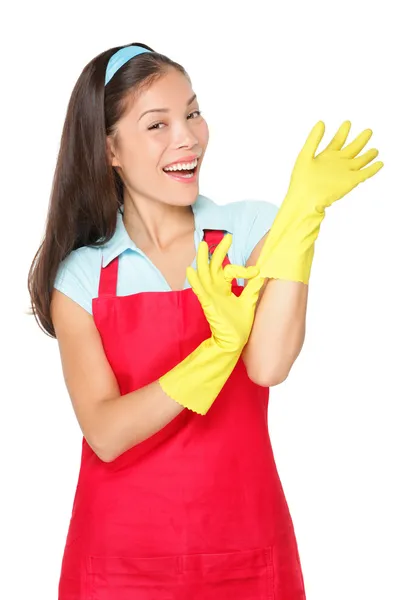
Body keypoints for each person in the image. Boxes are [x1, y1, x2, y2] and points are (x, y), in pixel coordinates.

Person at [28, 42, 383, 600]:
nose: (188, 137)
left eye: (192, 112)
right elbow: (105, 432)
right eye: (158, 124)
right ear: (110, 150)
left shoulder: (248, 231)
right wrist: (217, 351)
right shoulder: (83, 276)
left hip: (245, 548)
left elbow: (268, 364)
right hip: (122, 560)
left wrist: (302, 216)